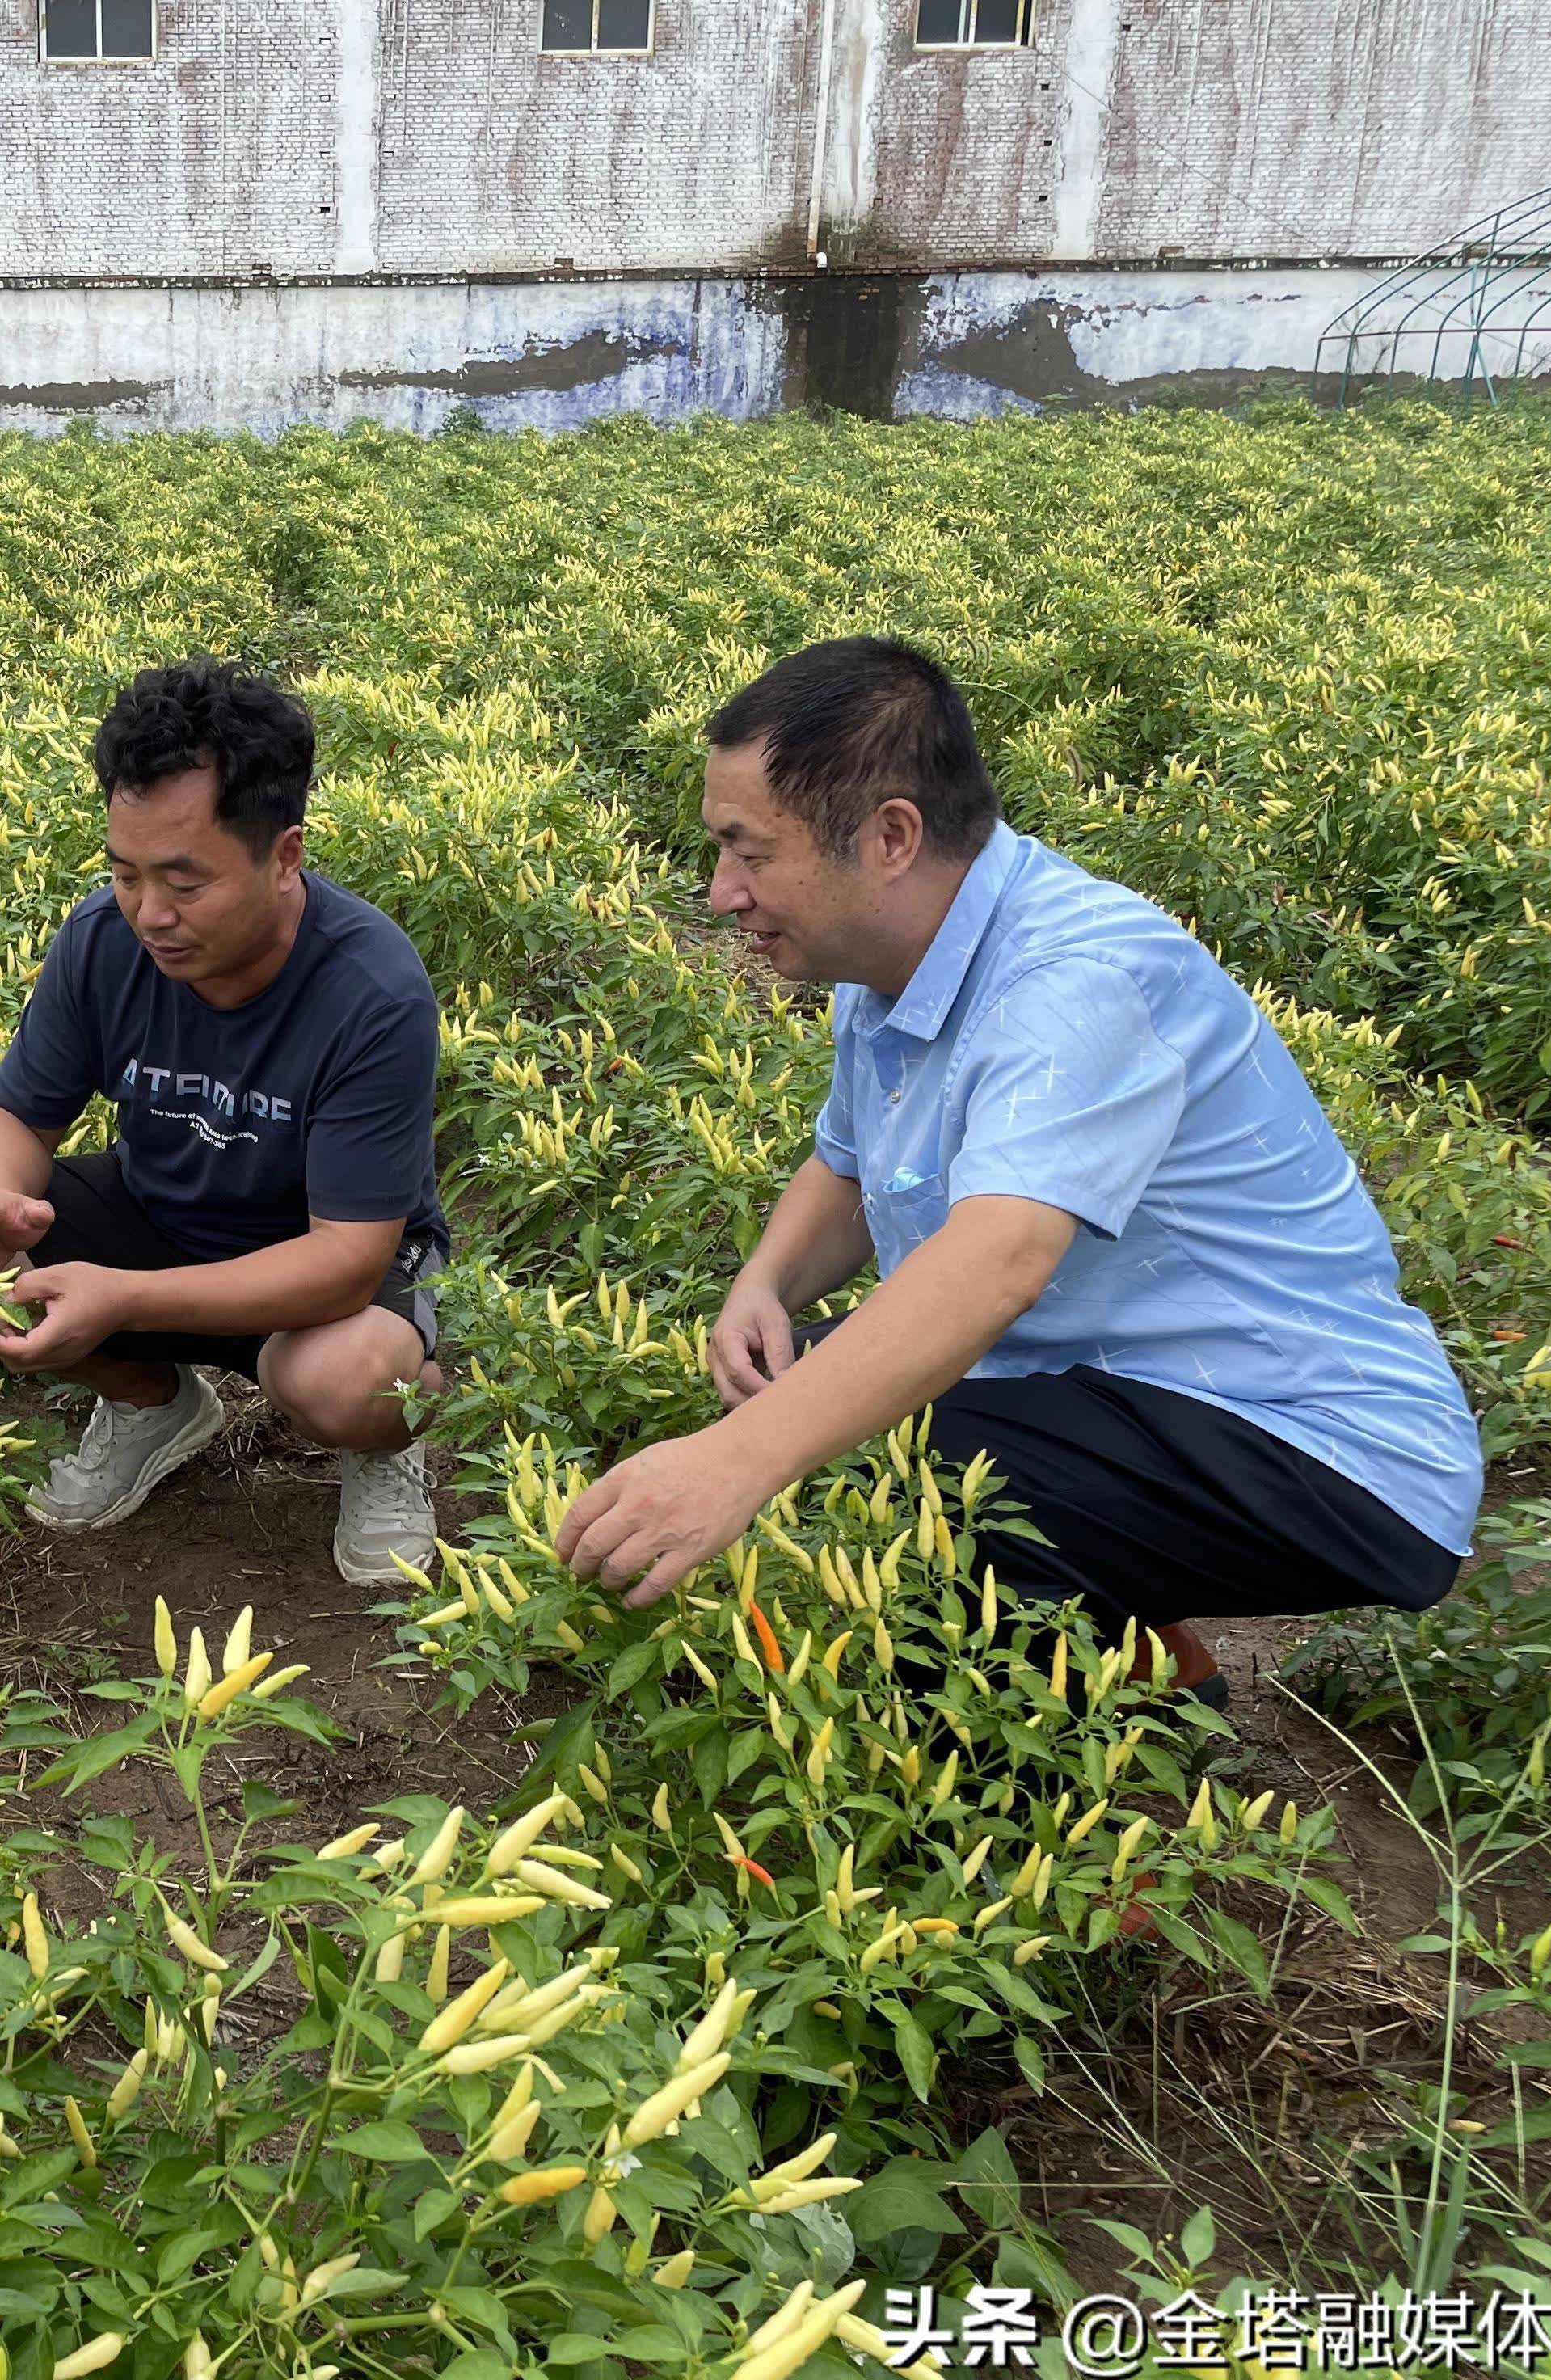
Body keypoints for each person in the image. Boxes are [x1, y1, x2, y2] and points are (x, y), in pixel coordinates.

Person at [554, 637, 1480, 1704]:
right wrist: (763, 1286)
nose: (722, 893)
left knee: (908, 1488)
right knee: (807, 1418)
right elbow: (849, 1163)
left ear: (889, 836)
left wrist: (740, 1463)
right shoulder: (893, 955)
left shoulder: (1072, 981)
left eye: (749, 852)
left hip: (1315, 1443)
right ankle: (1138, 1663)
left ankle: (1023, 1825)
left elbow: (999, 1260)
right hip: (1121, 1392)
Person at [0, 658, 449, 1585]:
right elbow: (13, 1112)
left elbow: (346, 1257)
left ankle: (383, 1447)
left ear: (285, 854)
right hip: (163, 1220)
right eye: (126, 875)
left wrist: (124, 1298)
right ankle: (152, 1405)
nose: (150, 914)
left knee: (344, 1381)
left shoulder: (371, 990)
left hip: (320, 1266)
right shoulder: (102, 941)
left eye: (185, 881)